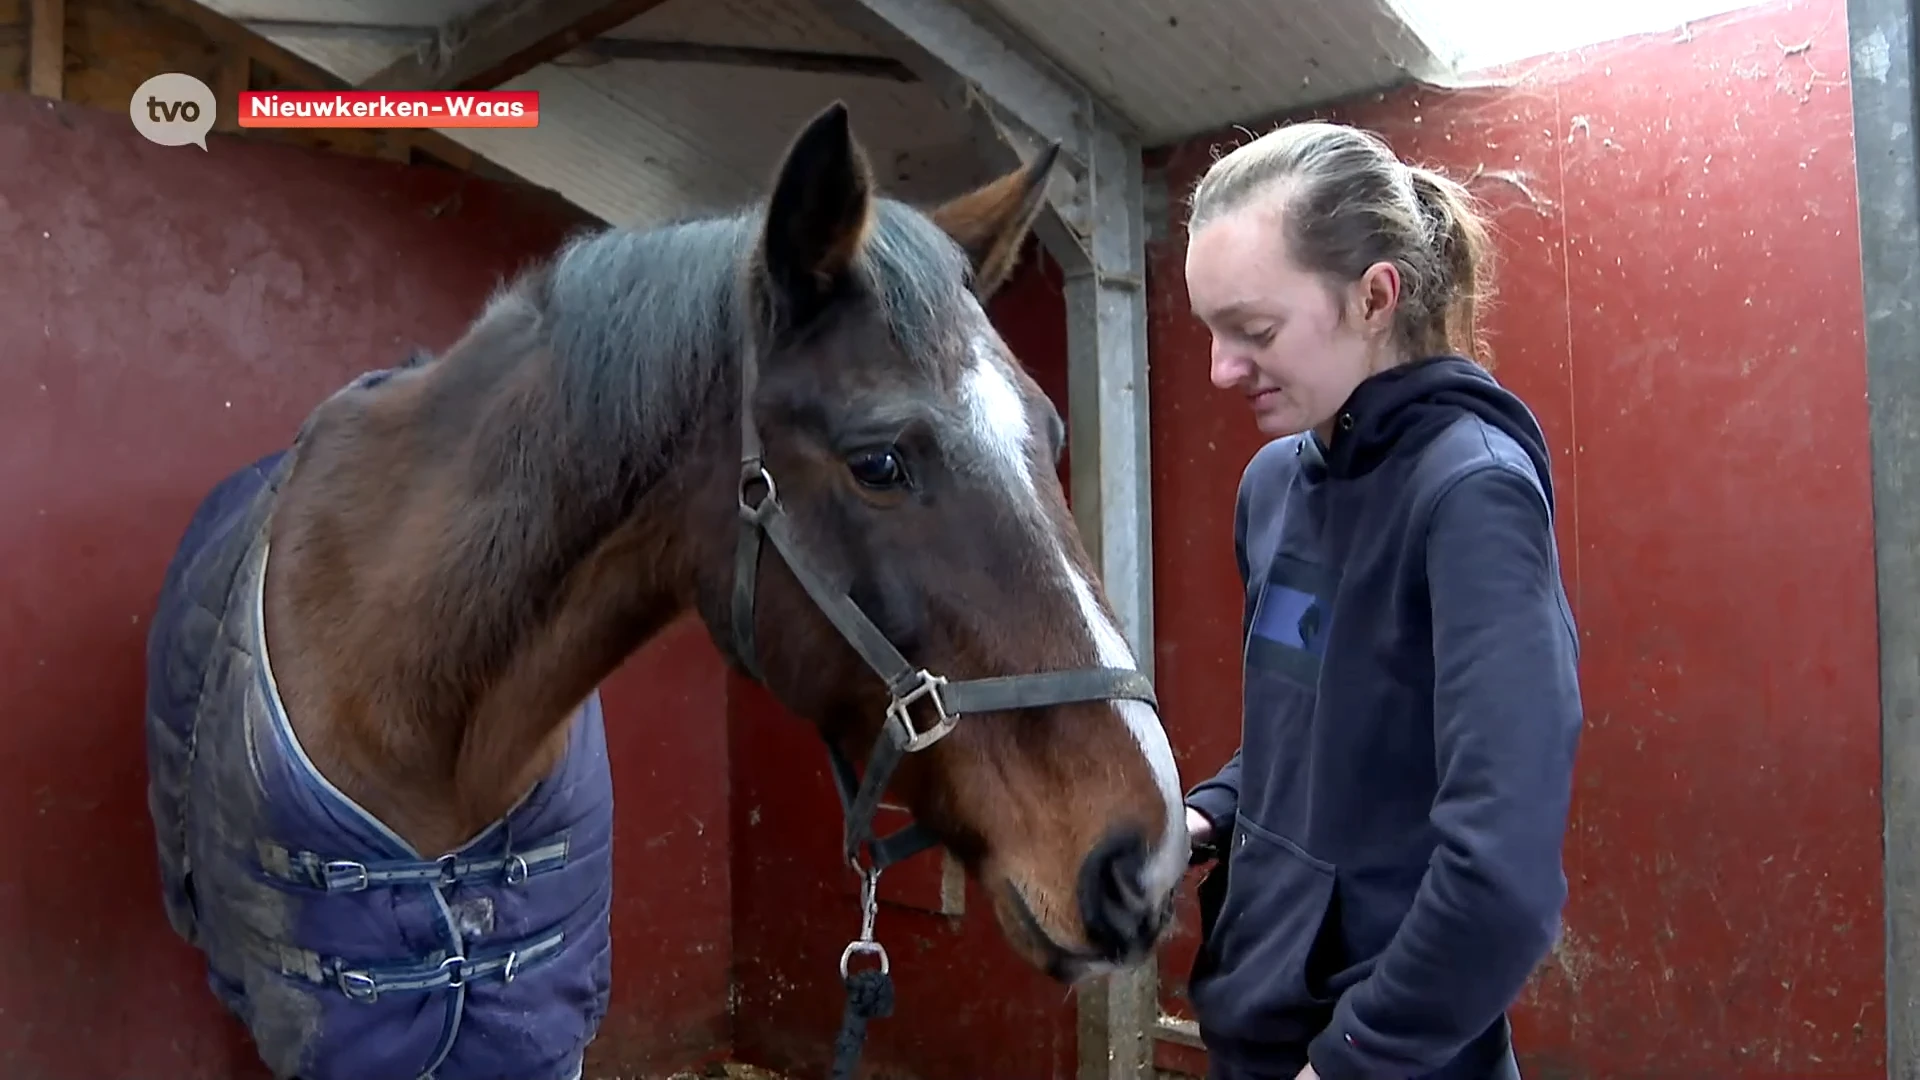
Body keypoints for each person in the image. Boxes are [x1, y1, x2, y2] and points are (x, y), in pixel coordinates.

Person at [1177, 119, 1583, 1080]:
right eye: (1210, 330)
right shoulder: (1274, 484)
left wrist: (1357, 1058)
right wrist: (1203, 816)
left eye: (1255, 331)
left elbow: (1504, 876)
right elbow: (1307, 731)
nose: (1220, 370)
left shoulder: (1472, 494)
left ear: (1375, 297)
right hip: (1255, 1027)